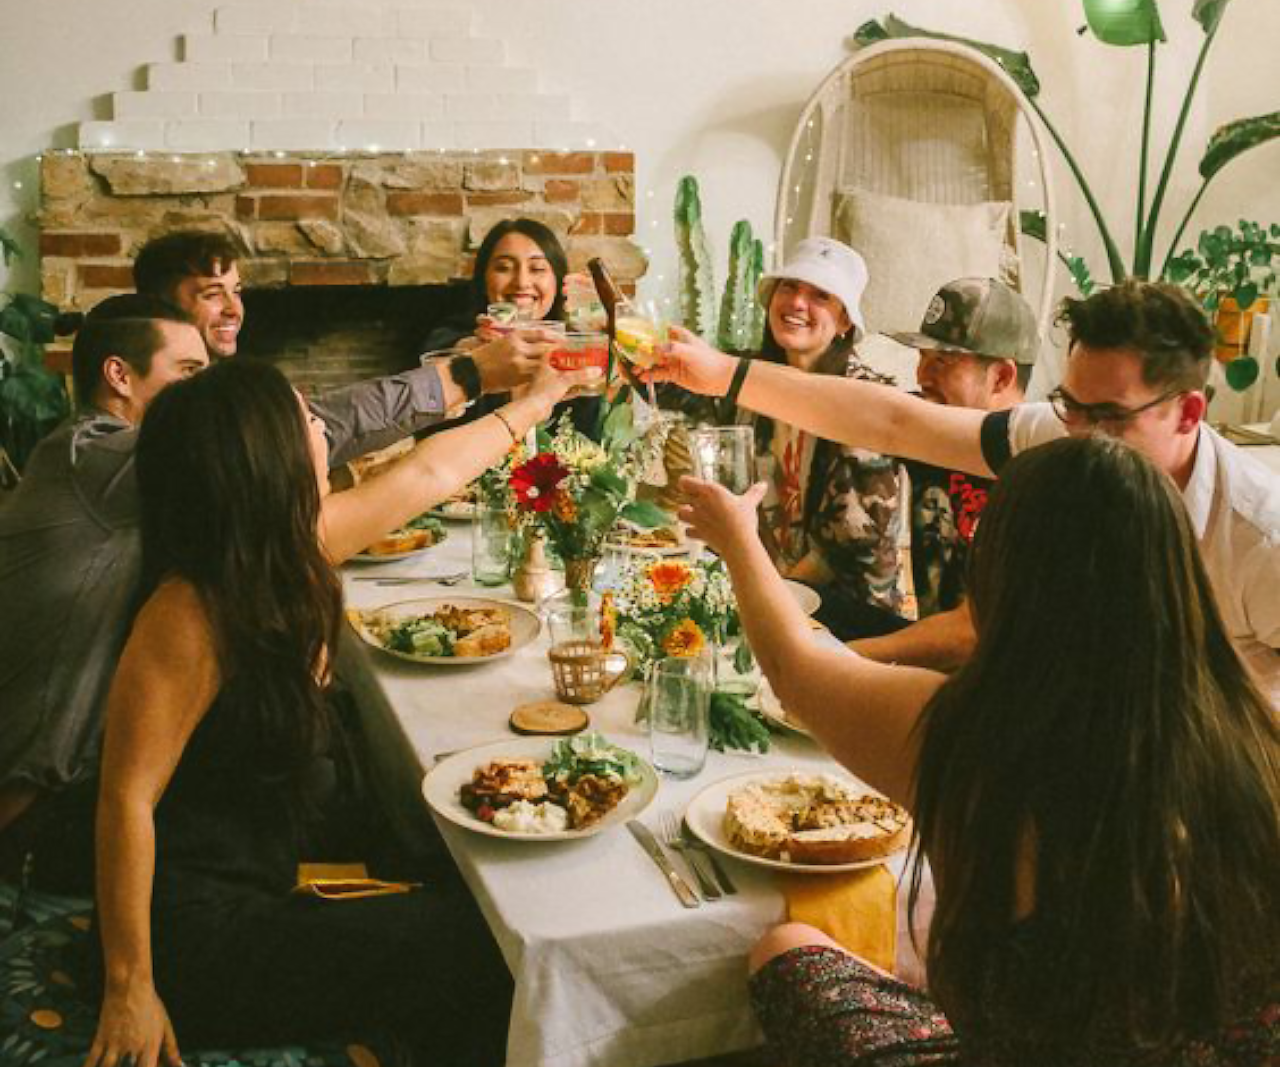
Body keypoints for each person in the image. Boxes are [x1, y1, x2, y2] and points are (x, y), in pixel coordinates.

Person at [679, 438, 1279, 1066]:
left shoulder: (971, 738)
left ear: (1008, 581)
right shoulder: (1255, 737)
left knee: (784, 947)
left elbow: (793, 668)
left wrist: (739, 538)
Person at [85, 357, 578, 1067]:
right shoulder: (188, 611)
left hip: (259, 877)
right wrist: (131, 984)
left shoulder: (276, 553)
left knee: (478, 880)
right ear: (264, 458)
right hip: (197, 937)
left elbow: (426, 477)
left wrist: (542, 398)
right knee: (478, 948)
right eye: (306, 419)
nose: (323, 428)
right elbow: (123, 800)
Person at [651, 280, 1280, 703]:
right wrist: (722, 374)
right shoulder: (1059, 435)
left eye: (1112, 417)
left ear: (1189, 413)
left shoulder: (1262, 540)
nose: (1084, 436)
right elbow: (894, 421)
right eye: (1072, 406)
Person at [0, 297, 208, 883]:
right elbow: (258, 453)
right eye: (190, 374)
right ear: (119, 375)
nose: (206, 393)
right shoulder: (100, 457)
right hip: (35, 825)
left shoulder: (96, 458)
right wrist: (462, 382)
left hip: (66, 787)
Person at [133, 230, 546, 466]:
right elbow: (327, 422)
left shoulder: (225, 383)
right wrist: (469, 371)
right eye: (211, 294)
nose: (233, 310)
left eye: (237, 292)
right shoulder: (176, 406)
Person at [852, 277, 1037, 670]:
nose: (921, 375)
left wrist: (843, 659)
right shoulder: (933, 433)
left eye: (943, 361)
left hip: (1003, 689)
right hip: (931, 668)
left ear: (1002, 377)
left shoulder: (1039, 478)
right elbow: (859, 414)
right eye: (923, 357)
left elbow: (974, 634)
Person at [738, 236, 907, 640]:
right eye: (789, 287)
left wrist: (762, 600)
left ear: (845, 321)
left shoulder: (864, 399)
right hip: (773, 600)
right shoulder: (753, 382)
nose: (797, 303)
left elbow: (850, 544)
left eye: (820, 295)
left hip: (850, 620)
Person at [422, 217, 602, 437]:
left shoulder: (578, 349)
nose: (522, 282)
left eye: (537, 268)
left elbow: (593, 442)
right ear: (484, 278)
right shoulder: (452, 338)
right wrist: (474, 358)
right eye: (504, 268)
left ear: (558, 280)